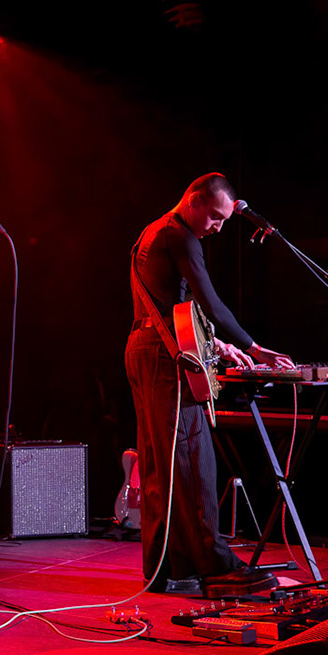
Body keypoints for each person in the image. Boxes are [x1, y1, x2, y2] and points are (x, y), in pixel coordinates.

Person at [126, 174, 293, 596]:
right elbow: (209, 301)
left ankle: (166, 568)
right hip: (163, 358)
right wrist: (252, 347)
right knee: (192, 460)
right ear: (195, 201)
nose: (218, 227)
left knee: (161, 466)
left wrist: (215, 343)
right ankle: (215, 567)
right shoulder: (181, 237)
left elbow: (170, 307)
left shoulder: (154, 232)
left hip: (146, 347)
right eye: (216, 217)